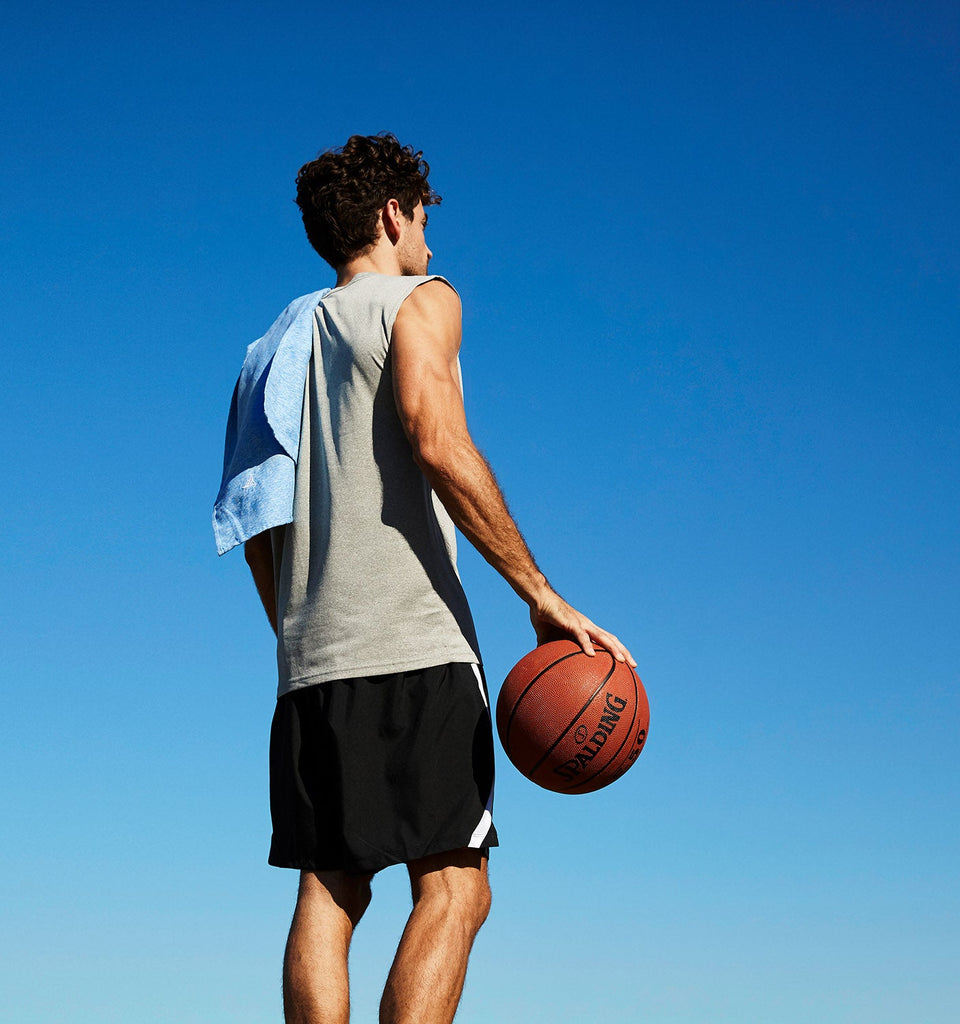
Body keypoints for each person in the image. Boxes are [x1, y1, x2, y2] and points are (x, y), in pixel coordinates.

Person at [235, 133, 634, 1024]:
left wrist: (300, 637)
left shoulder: (267, 350)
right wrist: (541, 592)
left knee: (329, 893)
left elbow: (252, 521)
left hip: (310, 664)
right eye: (422, 219)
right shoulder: (423, 299)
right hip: (417, 644)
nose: (429, 240)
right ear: (391, 215)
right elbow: (436, 437)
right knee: (457, 890)